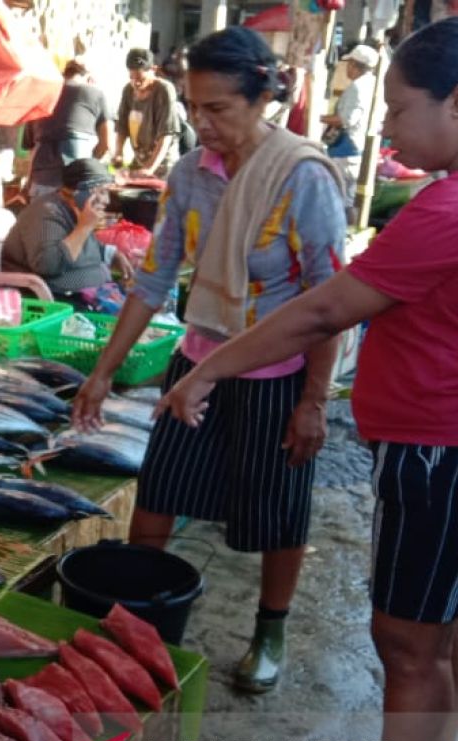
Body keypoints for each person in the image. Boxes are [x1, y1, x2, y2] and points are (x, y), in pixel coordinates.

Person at [156, 18, 458, 741]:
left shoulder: (437, 210)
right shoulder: (193, 170)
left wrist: (227, 376)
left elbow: (325, 308)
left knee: (406, 641)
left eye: (397, 108)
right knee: (433, 643)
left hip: (433, 448)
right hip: (427, 439)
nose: (384, 123)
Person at [72, 26, 348, 693]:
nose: (201, 122)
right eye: (194, 107)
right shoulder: (190, 174)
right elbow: (156, 278)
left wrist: (314, 401)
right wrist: (103, 370)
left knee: (278, 509)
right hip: (196, 363)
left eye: (217, 108)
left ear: (262, 97)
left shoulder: (304, 177)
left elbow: (328, 300)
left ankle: (270, 628)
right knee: (160, 491)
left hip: (276, 378)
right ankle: (135, 618)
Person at [1, 158, 134, 311]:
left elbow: (84, 247)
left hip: (91, 296)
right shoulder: (46, 212)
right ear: (79, 193)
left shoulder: (76, 211)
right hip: (55, 301)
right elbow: (48, 265)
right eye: (102, 192)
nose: (106, 200)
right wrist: (83, 228)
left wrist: (111, 254)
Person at [26, 59, 111, 198]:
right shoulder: (95, 94)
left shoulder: (41, 95)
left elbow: (32, 149)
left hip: (41, 182)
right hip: (76, 184)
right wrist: (89, 166)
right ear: (88, 77)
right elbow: (107, 144)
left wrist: (28, 184)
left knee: (43, 218)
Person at [321, 44, 380, 222]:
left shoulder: (357, 87)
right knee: (347, 196)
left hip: (346, 147)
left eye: (349, 64)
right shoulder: (373, 84)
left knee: (341, 196)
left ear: (355, 65)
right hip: (357, 147)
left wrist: (320, 117)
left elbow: (347, 120)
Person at [112, 48, 181, 178]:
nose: (136, 83)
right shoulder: (128, 90)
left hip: (162, 163)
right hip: (139, 160)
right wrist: (118, 153)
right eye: (132, 77)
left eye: (140, 78)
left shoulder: (164, 90)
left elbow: (166, 134)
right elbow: (121, 126)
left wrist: (149, 168)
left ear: (154, 70)